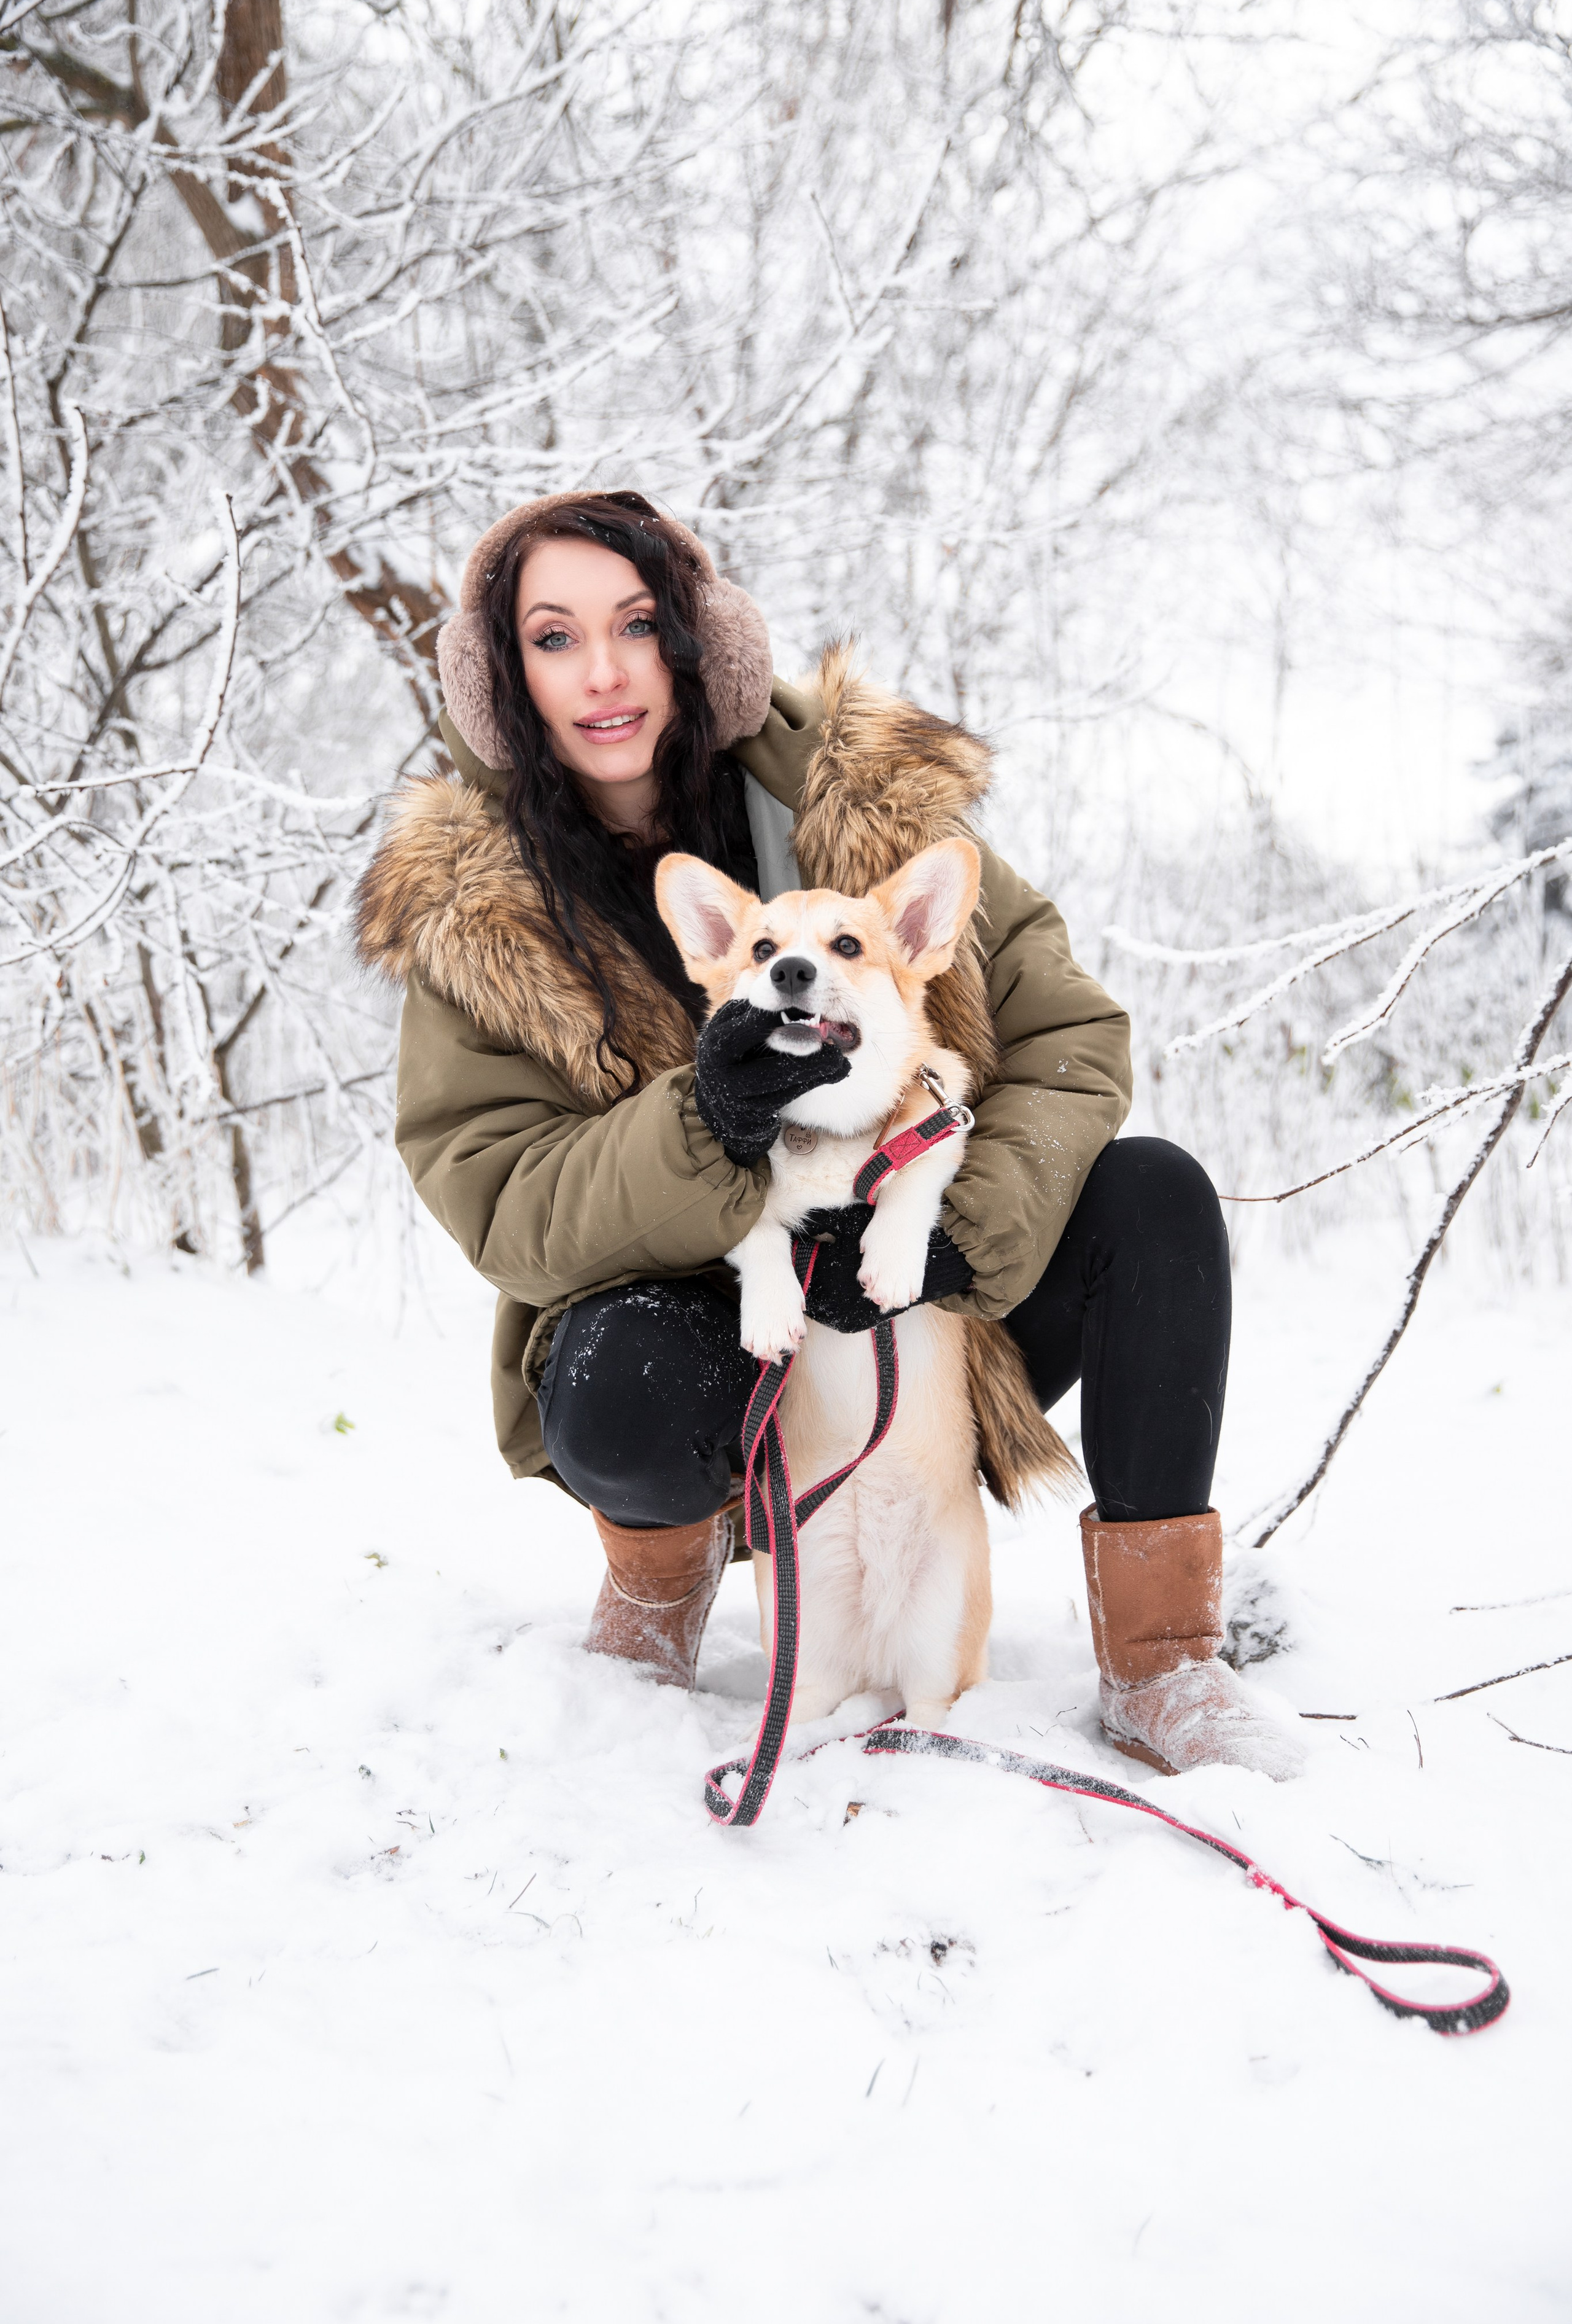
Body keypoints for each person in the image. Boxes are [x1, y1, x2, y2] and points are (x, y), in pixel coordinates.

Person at [355, 491, 1302, 1779]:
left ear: (694, 636)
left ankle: (1158, 1658)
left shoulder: (858, 794)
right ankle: (654, 1600)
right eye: (554, 637)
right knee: (622, 1381)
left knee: (1153, 1196)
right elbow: (503, 1205)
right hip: (720, 1351)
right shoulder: (474, 903)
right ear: (506, 672)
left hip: (925, 1307)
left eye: (637, 624)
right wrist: (708, 1120)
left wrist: (955, 1227)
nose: (606, 672)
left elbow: (1072, 1035)